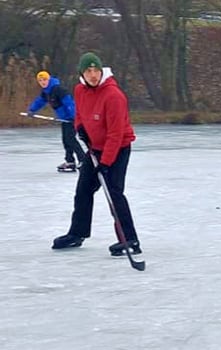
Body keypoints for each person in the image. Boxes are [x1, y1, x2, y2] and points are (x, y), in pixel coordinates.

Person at [51, 52, 141, 257]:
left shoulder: (114, 96)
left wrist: (106, 162)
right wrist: (80, 127)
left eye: (96, 70)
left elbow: (116, 133)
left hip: (117, 149)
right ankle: (77, 233)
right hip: (95, 149)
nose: (93, 75)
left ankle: (130, 240)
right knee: (83, 191)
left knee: (114, 193)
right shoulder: (80, 90)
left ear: (102, 71)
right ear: (82, 73)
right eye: (88, 71)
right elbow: (80, 114)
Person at [26, 70, 85, 172]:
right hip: (64, 119)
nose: (43, 82)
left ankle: (83, 160)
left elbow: (69, 102)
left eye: (44, 80)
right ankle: (70, 161)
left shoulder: (58, 89)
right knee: (66, 140)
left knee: (70, 139)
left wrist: (72, 116)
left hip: (72, 118)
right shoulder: (46, 92)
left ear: (49, 79)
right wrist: (32, 109)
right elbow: (40, 101)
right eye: (40, 80)